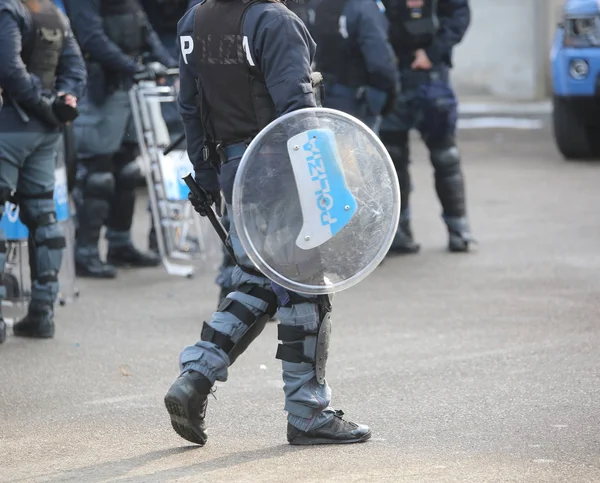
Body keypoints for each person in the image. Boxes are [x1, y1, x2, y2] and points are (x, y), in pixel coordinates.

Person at [164, 0, 371, 446]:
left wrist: (206, 177)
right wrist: (326, 183)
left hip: (232, 169)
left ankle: (195, 375)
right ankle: (308, 413)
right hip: (282, 169)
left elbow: (189, 107)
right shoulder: (274, 21)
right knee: (305, 291)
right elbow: (297, 108)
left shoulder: (193, 21)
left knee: (257, 280)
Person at [63, 0, 177, 278]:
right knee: (97, 174)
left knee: (127, 170)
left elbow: (143, 26)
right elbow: (90, 37)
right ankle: (85, 252)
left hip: (128, 87)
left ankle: (120, 243)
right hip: (100, 88)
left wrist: (168, 63)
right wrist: (130, 66)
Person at [0, 0, 86, 341]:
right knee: (43, 218)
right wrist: (59, 102)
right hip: (45, 131)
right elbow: (76, 69)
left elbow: (9, 68)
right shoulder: (53, 12)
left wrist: (42, 102)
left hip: (9, 127)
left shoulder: (8, 10)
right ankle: (42, 313)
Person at [380, 0, 474, 254]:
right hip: (394, 76)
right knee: (393, 160)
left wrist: (432, 53)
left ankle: (459, 230)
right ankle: (399, 232)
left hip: (431, 77)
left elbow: (459, 15)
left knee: (446, 156)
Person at [307, 0, 398, 133]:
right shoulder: (364, 6)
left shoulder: (316, 5)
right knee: (361, 149)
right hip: (356, 94)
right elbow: (379, 59)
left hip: (324, 89)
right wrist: (391, 91)